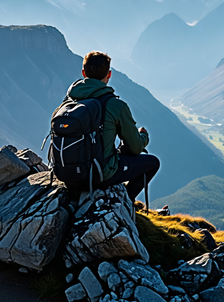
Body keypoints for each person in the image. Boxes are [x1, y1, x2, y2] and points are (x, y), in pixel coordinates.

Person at [61, 51, 160, 202]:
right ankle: (125, 202)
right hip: (100, 175)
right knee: (153, 163)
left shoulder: (69, 100)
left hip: (66, 173)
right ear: (109, 74)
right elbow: (135, 148)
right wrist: (143, 136)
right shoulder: (115, 105)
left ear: (83, 73)